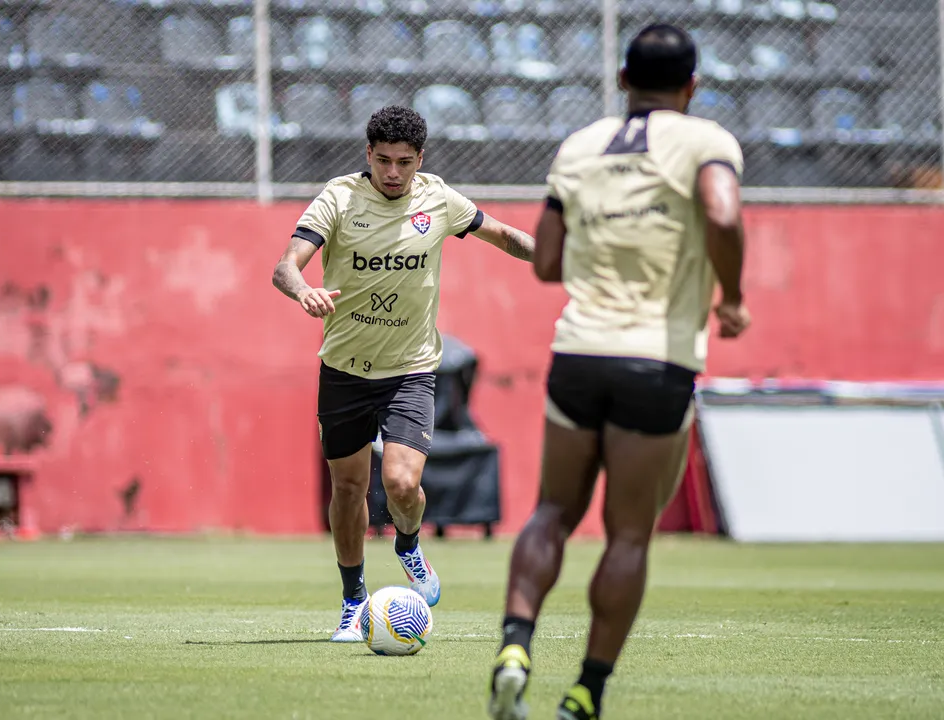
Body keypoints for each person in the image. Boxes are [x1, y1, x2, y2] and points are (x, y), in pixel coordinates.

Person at [487, 24, 752, 720]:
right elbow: (723, 215)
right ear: (692, 86)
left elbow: (546, 262)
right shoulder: (706, 141)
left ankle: (515, 647)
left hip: (578, 352)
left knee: (552, 511)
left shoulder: (579, 145)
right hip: (657, 358)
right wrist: (733, 296)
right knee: (628, 533)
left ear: (623, 81)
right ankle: (586, 692)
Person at [272, 105, 537, 642]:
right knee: (348, 490)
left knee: (400, 483)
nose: (393, 173)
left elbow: (505, 236)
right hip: (344, 370)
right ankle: (352, 603)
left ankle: (409, 546)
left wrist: (561, 258)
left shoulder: (438, 198)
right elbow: (285, 266)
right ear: (367, 154)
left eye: (404, 162)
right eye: (384, 161)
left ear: (421, 159)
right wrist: (305, 291)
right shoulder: (340, 197)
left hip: (410, 371)